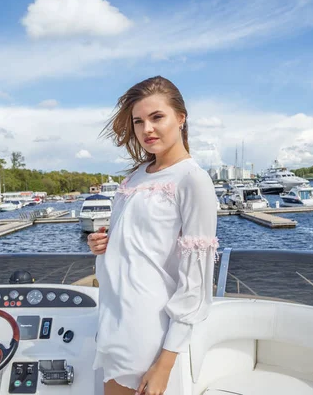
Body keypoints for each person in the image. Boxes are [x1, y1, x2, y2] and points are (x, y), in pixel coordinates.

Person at [88, 76, 219, 395]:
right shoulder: (135, 176)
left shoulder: (193, 180)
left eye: (157, 117)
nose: (147, 129)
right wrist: (103, 244)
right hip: (114, 316)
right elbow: (139, 244)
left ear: (181, 118)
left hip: (148, 329)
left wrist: (165, 363)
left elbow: (195, 281)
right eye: (138, 121)